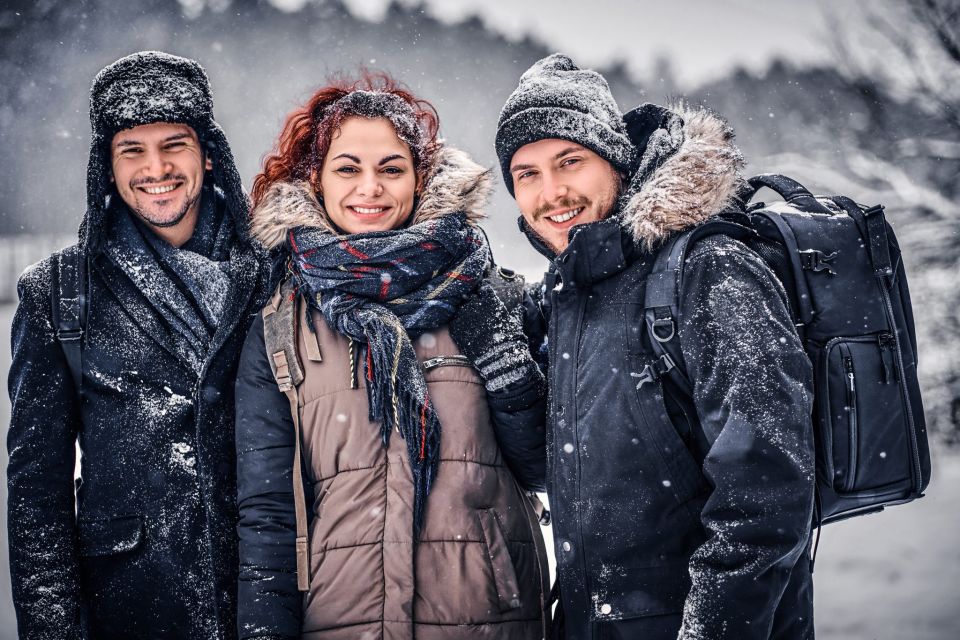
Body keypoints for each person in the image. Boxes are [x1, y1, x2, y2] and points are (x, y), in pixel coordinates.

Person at [495, 53, 817, 639]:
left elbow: (767, 498)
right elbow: (569, 472)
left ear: (615, 161)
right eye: (527, 174)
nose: (552, 192)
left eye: (571, 161)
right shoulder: (572, 297)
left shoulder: (709, 268)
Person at [235, 73, 550, 640]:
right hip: (339, 620)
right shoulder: (280, 322)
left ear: (420, 179)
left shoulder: (489, 295)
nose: (370, 188)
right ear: (317, 180)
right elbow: (268, 513)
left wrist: (510, 372)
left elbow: (543, 467)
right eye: (348, 168)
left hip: (483, 620)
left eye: (391, 168)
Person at [7, 51, 272, 639]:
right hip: (132, 607)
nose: (156, 168)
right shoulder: (58, 295)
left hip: (270, 596)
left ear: (207, 152)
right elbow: (36, 496)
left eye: (174, 144)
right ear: (106, 165)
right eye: (132, 149)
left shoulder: (270, 276)